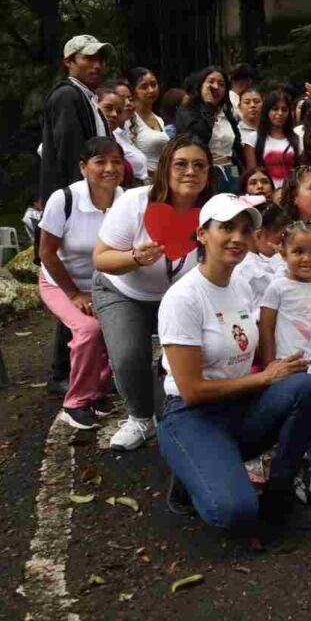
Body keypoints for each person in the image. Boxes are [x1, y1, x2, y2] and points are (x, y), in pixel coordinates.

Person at [156, 193, 311, 532]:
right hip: (192, 415)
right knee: (234, 512)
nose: (238, 238)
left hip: (239, 407)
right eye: (227, 228)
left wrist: (281, 368)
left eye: (246, 230)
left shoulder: (242, 286)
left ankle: (279, 495)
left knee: (306, 386)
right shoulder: (183, 298)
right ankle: (191, 470)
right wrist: (265, 379)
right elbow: (191, 391)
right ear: (203, 234)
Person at [92, 135, 213, 450]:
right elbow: (101, 258)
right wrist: (134, 258)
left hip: (177, 300)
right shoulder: (135, 202)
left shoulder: (213, 212)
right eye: (181, 164)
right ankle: (140, 419)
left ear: (209, 172)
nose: (190, 171)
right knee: (130, 356)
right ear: (165, 169)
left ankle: (191, 414)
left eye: (199, 165)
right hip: (122, 290)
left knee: (204, 351)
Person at [38, 138, 124, 429]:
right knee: (89, 330)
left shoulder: (125, 199)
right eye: (100, 162)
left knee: (121, 328)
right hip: (61, 282)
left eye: (116, 161)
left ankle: (96, 392)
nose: (110, 168)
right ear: (83, 167)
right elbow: (46, 253)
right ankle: (75, 403)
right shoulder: (64, 200)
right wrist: (74, 293)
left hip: (105, 283)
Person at [259, 222, 311, 503]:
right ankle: (291, 475)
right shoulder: (277, 288)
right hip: (290, 366)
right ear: (283, 252)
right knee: (290, 423)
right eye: (298, 251)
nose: (306, 259)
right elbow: (267, 327)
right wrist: (270, 363)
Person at [39, 34, 115, 202]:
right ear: (68, 61)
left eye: (101, 60)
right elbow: (70, 153)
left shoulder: (87, 97)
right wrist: (79, 202)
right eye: (88, 58)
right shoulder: (67, 95)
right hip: (76, 201)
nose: (97, 66)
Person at [174, 66, 244, 193]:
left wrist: (238, 172)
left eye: (221, 84)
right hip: (205, 172)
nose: (216, 87)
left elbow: (237, 146)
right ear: (201, 85)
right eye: (210, 82)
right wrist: (208, 105)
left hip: (231, 171)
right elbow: (200, 138)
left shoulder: (227, 114)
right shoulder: (187, 111)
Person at [127, 67, 170, 178]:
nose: (151, 90)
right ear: (133, 91)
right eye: (144, 87)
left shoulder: (159, 119)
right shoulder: (129, 119)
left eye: (153, 84)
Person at [253, 90, 300, 188]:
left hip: (291, 193)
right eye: (275, 109)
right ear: (267, 111)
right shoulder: (254, 138)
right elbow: (252, 172)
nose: (280, 113)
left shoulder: (296, 139)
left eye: (284, 110)